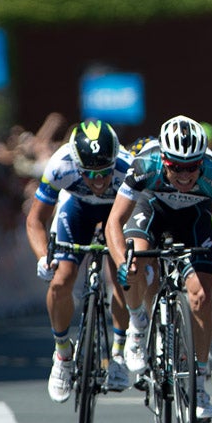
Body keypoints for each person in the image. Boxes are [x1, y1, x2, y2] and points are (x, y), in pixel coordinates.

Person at [106, 116, 212, 422]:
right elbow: (114, 221)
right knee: (136, 263)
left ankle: (197, 385)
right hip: (151, 210)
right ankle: (138, 324)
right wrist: (121, 262)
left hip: (193, 220)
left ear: (202, 162)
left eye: (192, 167)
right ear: (164, 160)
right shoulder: (146, 166)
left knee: (201, 297)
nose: (184, 174)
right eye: (176, 167)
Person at [25, 120, 134, 402]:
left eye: (104, 173)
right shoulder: (60, 165)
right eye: (90, 174)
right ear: (76, 164)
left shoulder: (129, 168)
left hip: (116, 214)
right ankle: (62, 354)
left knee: (123, 279)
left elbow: (142, 218)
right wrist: (42, 258)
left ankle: (119, 354)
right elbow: (35, 220)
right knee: (61, 280)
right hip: (76, 211)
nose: (98, 181)